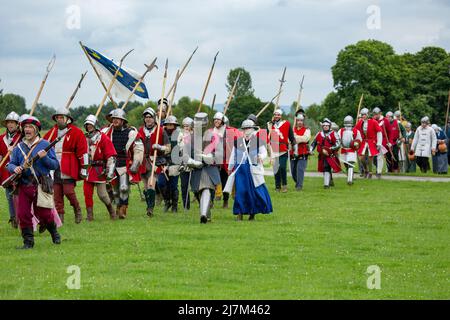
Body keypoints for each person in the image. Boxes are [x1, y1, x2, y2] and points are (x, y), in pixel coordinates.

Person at [7, 116, 61, 249]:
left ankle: (54, 233)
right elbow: (10, 164)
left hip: (41, 185)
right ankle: (28, 243)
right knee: (22, 214)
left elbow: (54, 165)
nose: (27, 129)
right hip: (24, 185)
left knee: (44, 215)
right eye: (25, 127)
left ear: (36, 130)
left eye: (30, 127)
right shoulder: (19, 147)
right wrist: (16, 168)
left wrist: (45, 157)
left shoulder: (45, 144)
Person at [43, 109, 88, 224]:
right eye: (57, 117)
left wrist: (84, 168)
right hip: (54, 167)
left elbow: (83, 151)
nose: (59, 119)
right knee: (57, 195)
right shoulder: (51, 132)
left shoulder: (76, 132)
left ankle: (77, 209)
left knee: (69, 192)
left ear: (68, 119)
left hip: (69, 166)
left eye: (61, 117)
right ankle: (60, 218)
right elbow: (43, 146)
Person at [225, 119, 272, 221]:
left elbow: (264, 153)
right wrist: (229, 168)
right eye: (245, 128)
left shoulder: (258, 141)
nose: (246, 130)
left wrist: (260, 156)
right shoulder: (238, 142)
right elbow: (233, 155)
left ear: (252, 129)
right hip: (240, 170)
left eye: (248, 128)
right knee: (240, 192)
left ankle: (252, 214)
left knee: (253, 192)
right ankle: (239, 213)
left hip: (252, 171)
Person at [105, 109, 144, 219]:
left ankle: (123, 208)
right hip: (112, 163)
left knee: (123, 187)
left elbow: (139, 149)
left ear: (123, 121)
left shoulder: (131, 133)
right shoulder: (107, 132)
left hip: (124, 163)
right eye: (114, 119)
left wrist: (136, 163)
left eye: (118, 119)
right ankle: (118, 206)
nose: (115, 120)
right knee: (115, 190)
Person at [185, 112, 221, 224]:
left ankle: (203, 215)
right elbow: (184, 155)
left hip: (209, 168)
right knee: (198, 193)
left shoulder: (214, 137)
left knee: (206, 188)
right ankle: (207, 214)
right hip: (196, 169)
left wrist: (207, 157)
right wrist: (192, 162)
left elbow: (220, 154)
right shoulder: (189, 138)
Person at [83, 115, 117, 221]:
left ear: (95, 124)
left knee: (102, 195)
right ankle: (90, 216)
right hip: (88, 169)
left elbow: (111, 156)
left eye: (91, 124)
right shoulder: (84, 138)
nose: (89, 126)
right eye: (87, 124)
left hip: (99, 170)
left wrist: (109, 171)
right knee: (87, 193)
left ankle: (112, 211)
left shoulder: (103, 138)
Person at [138, 107, 170, 217]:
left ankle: (151, 209)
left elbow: (168, 148)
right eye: (146, 117)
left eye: (150, 117)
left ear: (154, 118)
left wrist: (160, 147)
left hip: (155, 161)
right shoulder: (140, 130)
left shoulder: (160, 130)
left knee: (151, 184)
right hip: (143, 161)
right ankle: (149, 206)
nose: (148, 119)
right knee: (146, 187)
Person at [0, 112, 21, 228]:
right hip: (5, 171)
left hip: (18, 170)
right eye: (8, 122)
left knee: (20, 196)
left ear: (17, 124)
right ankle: (13, 218)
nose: (10, 125)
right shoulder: (1, 138)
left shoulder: (22, 137)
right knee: (9, 196)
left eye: (13, 122)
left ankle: (22, 217)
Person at [267, 108, 295, 192]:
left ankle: (284, 185)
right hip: (274, 149)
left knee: (282, 167)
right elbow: (268, 136)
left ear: (281, 116)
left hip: (283, 149)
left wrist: (293, 144)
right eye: (275, 114)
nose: (276, 116)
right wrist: (270, 126)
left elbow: (291, 136)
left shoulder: (286, 124)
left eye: (278, 115)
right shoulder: (270, 125)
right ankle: (277, 186)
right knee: (276, 169)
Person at [310, 118, 341, 188]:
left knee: (327, 167)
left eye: (327, 125)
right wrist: (311, 150)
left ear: (329, 126)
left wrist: (330, 149)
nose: (325, 127)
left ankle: (326, 185)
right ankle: (330, 180)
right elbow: (313, 143)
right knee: (324, 168)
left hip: (330, 155)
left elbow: (338, 144)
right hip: (322, 155)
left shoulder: (334, 133)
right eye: (324, 125)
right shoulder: (319, 134)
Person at [159, 115, 181, 212]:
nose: (170, 126)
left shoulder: (179, 135)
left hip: (175, 162)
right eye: (168, 124)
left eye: (172, 124)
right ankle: (167, 201)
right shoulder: (160, 134)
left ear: (175, 125)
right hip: (162, 162)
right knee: (161, 183)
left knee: (173, 185)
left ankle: (174, 205)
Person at [354, 108, 382, 178]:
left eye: (364, 114)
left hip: (371, 141)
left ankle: (370, 172)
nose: (363, 116)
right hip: (363, 142)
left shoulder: (374, 122)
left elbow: (379, 132)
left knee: (370, 158)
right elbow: (355, 131)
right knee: (361, 158)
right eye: (362, 114)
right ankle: (365, 170)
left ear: (368, 115)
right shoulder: (360, 122)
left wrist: (379, 143)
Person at [339, 115, 362, 185]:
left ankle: (350, 180)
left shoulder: (356, 131)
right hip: (343, 149)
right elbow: (338, 139)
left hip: (352, 149)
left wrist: (356, 144)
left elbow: (359, 140)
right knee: (346, 163)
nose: (348, 126)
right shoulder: (341, 130)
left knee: (350, 164)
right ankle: (350, 174)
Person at [289, 113, 310, 191]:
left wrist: (294, 138)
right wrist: (292, 137)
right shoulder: (292, 130)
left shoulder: (307, 130)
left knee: (300, 170)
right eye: (298, 120)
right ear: (296, 121)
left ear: (303, 121)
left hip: (303, 153)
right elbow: (288, 140)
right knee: (293, 172)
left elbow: (305, 138)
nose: (300, 122)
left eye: (301, 120)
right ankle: (297, 182)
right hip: (293, 153)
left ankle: (299, 186)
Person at [179, 117, 194, 210]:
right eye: (184, 126)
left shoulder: (196, 136)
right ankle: (186, 205)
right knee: (184, 186)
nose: (186, 127)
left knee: (195, 187)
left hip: (194, 164)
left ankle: (203, 202)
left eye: (187, 126)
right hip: (183, 165)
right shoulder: (180, 136)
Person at [372, 107, 388, 178]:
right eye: (374, 114)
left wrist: (389, 142)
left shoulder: (385, 120)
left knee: (380, 157)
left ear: (380, 113)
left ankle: (379, 172)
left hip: (383, 141)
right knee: (373, 158)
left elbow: (389, 132)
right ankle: (377, 169)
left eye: (377, 114)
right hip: (373, 141)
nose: (376, 116)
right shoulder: (372, 121)